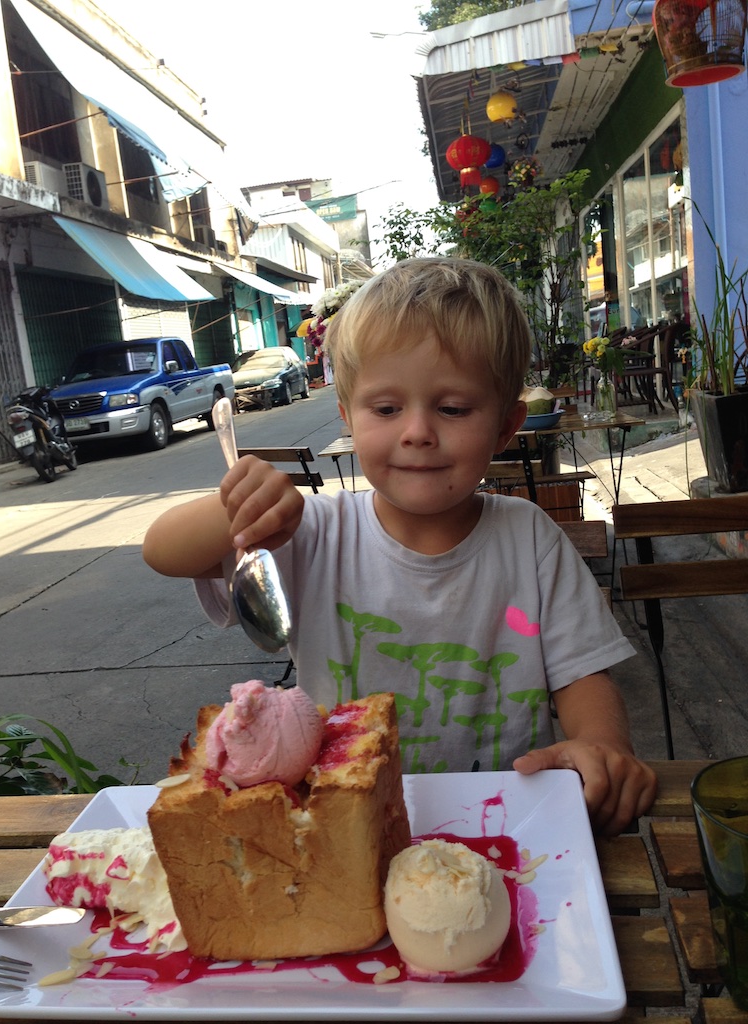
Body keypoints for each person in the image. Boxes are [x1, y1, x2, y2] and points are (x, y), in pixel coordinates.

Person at [143, 257, 657, 836]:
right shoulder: (309, 531)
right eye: (386, 409)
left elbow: (581, 675)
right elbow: (163, 551)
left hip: (505, 823)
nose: (416, 431)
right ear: (348, 416)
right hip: (346, 827)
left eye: (453, 408)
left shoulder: (529, 539)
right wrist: (237, 509)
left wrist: (601, 749)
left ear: (506, 425)